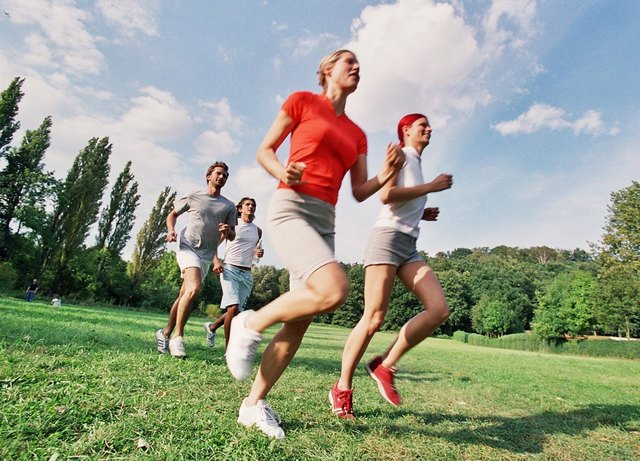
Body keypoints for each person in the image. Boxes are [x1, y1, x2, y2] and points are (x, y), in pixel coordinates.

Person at [224, 49, 405, 438]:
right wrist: (281, 171)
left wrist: (386, 174)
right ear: (326, 70)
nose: (357, 68)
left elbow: (359, 190)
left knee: (299, 322)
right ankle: (249, 322)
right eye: (348, 62)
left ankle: (252, 404)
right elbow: (264, 151)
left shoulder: (357, 135)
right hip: (291, 208)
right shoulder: (302, 101)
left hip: (326, 221)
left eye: (360, 64)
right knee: (335, 288)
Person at [329, 113, 453, 419]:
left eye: (429, 126)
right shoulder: (403, 156)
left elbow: (402, 201)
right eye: (422, 125)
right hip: (386, 240)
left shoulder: (416, 162)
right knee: (373, 318)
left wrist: (421, 212)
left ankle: (384, 366)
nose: (429, 129)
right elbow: (386, 195)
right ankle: (342, 388)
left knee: (438, 309)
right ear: (406, 131)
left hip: (408, 246)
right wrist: (430, 189)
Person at [155, 162, 237, 358]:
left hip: (207, 254)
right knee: (194, 288)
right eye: (218, 174)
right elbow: (172, 215)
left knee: (185, 294)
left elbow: (232, 236)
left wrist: (228, 231)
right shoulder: (194, 196)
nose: (221, 177)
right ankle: (178, 338)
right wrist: (170, 230)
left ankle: (165, 332)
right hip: (187, 246)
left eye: (225, 175)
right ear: (209, 176)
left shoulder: (229, 206)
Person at [204, 197, 264, 350]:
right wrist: (216, 261)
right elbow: (213, 245)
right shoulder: (232, 226)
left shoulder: (258, 231)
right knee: (232, 307)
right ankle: (229, 349)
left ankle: (212, 327)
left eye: (253, 205)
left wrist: (257, 253)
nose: (251, 207)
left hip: (247, 273)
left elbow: (252, 253)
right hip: (230, 269)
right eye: (247, 204)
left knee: (236, 312)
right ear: (240, 209)